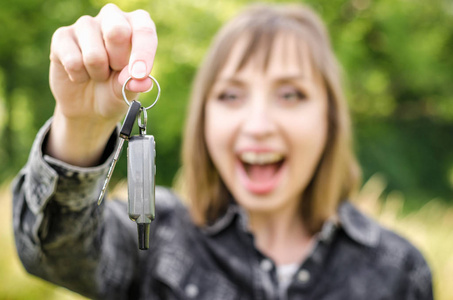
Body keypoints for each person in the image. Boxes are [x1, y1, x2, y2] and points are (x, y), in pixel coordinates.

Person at [12, 3, 433, 300]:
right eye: (231, 95)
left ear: (330, 118)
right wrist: (81, 125)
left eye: (290, 94)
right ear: (203, 120)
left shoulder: (399, 271)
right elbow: (54, 251)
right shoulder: (160, 241)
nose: (258, 125)